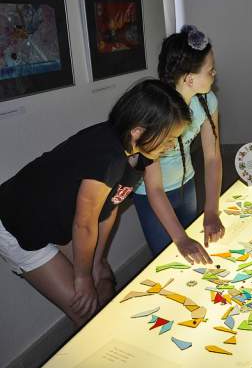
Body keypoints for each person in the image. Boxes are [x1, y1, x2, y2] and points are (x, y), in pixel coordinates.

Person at [0, 80, 191, 326]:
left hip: (59, 217)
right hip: (18, 219)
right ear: (138, 131)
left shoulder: (142, 150)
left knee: (104, 279)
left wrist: (98, 262)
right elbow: (84, 224)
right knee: (85, 309)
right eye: (169, 139)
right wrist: (83, 278)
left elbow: (109, 209)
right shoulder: (107, 158)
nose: (172, 145)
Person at [132, 25, 223, 264]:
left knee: (194, 257)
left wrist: (211, 210)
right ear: (190, 79)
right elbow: (154, 188)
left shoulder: (208, 101)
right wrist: (181, 239)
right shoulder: (156, 111)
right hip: (153, 196)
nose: (214, 73)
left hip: (187, 187)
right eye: (210, 70)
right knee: (168, 259)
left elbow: (212, 157)